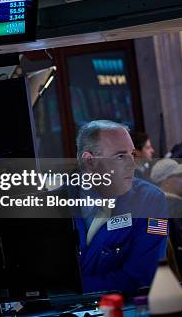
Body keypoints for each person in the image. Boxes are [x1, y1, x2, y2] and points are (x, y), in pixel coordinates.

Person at [68, 120, 168, 293]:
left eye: (132, 155)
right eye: (120, 156)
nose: (132, 165)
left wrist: (72, 291)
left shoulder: (151, 200)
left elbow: (143, 277)